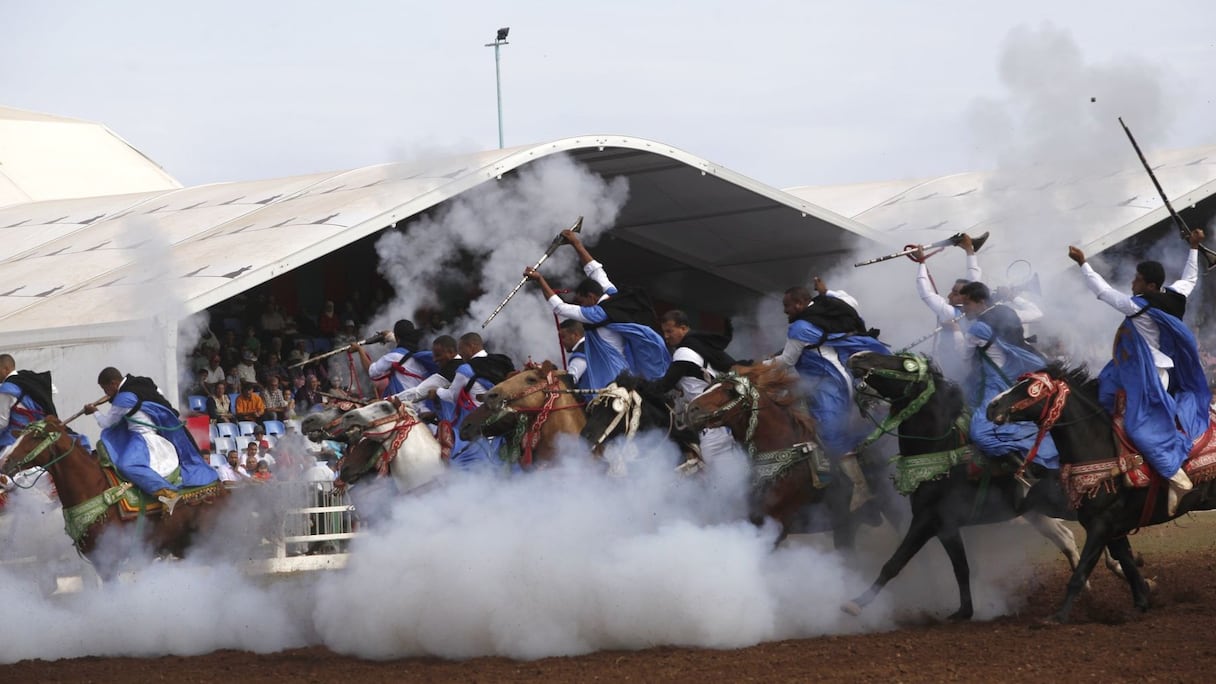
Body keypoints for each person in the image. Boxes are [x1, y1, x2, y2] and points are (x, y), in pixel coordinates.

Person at [1068, 230, 1210, 515]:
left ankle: (1175, 476)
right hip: (1140, 372)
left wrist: (1083, 264)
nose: (1132, 283)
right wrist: (1193, 248)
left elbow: (1102, 291)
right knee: (1103, 395)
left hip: (1151, 376)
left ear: (1149, 285)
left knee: (1137, 426)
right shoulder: (1175, 294)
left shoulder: (1137, 306)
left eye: (1137, 280)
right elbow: (1190, 279)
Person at [766, 279, 889, 509]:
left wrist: (757, 368)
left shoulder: (800, 327)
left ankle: (860, 487)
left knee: (830, 435)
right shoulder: (826, 309)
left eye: (788, 305)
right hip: (837, 377)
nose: (785, 310)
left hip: (829, 384)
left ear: (801, 303)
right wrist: (826, 292)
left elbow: (787, 360)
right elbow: (848, 301)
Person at [524, 229, 670, 388]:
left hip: (610, 376)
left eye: (581, 301)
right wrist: (575, 243)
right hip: (622, 371)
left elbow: (560, 308)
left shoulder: (598, 313)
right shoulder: (614, 296)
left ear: (591, 297)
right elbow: (596, 271)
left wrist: (539, 280)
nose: (581, 306)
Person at [955, 281, 1060, 471]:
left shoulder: (975, 330)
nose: (964, 309)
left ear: (981, 302)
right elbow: (1037, 312)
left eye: (967, 304)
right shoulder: (1009, 313)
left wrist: (955, 334)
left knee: (979, 434)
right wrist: (1014, 297)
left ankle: (1021, 462)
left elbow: (964, 359)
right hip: (1022, 383)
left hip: (997, 388)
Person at [85, 367, 219, 513]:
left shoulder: (123, 399)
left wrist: (95, 412)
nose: (106, 394)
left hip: (143, 439)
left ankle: (167, 493)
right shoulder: (144, 383)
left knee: (126, 465)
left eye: (106, 390)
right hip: (158, 435)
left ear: (113, 384)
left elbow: (106, 424)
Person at [647, 311, 738, 464]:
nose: (666, 336)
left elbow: (663, 386)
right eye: (664, 332)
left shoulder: (684, 353)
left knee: (712, 467)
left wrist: (637, 386)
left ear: (683, 328)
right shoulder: (697, 347)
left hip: (709, 423)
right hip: (705, 420)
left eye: (669, 331)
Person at [434, 333, 515, 470]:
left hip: (474, 426)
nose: (460, 354)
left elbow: (451, 396)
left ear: (471, 346)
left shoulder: (465, 369)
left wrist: (437, 391)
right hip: (503, 422)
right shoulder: (503, 363)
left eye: (461, 349)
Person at [354, 319, 438, 398]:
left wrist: (359, 349)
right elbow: (403, 340)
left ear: (397, 337)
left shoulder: (394, 356)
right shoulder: (421, 350)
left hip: (407, 404)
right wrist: (390, 336)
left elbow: (371, 371)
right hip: (425, 404)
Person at [0, 354, 59, 454]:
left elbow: (2, 422)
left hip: (16, 438)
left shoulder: (7, 388)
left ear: (6, 369)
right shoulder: (29, 378)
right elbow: (53, 390)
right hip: (42, 434)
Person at [558, 320, 589, 389]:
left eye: (563, 337)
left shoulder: (580, 355)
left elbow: (569, 382)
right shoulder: (593, 346)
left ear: (575, 335)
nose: (561, 342)